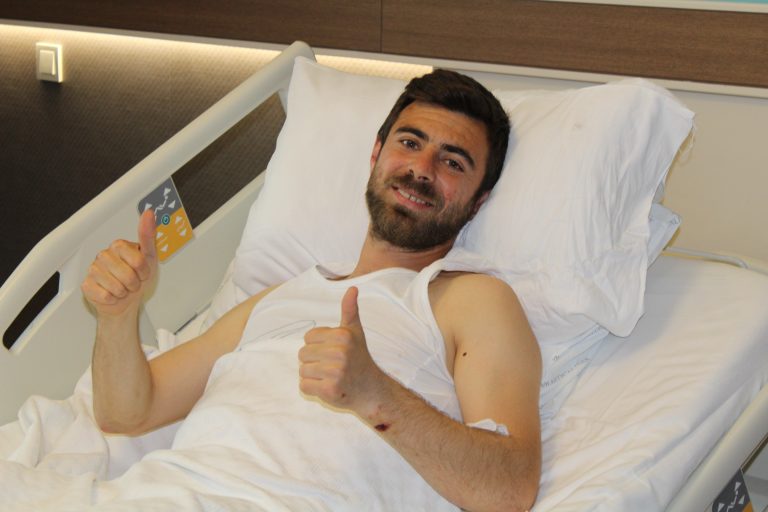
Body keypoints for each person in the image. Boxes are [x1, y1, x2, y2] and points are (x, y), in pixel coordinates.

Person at [81, 69, 542, 512]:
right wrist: (118, 315)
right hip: (163, 495)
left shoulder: (471, 300)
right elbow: (126, 412)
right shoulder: (276, 298)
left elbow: (511, 491)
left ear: (478, 202)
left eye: (452, 162)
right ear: (376, 153)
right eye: (409, 143)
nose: (421, 169)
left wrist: (375, 395)